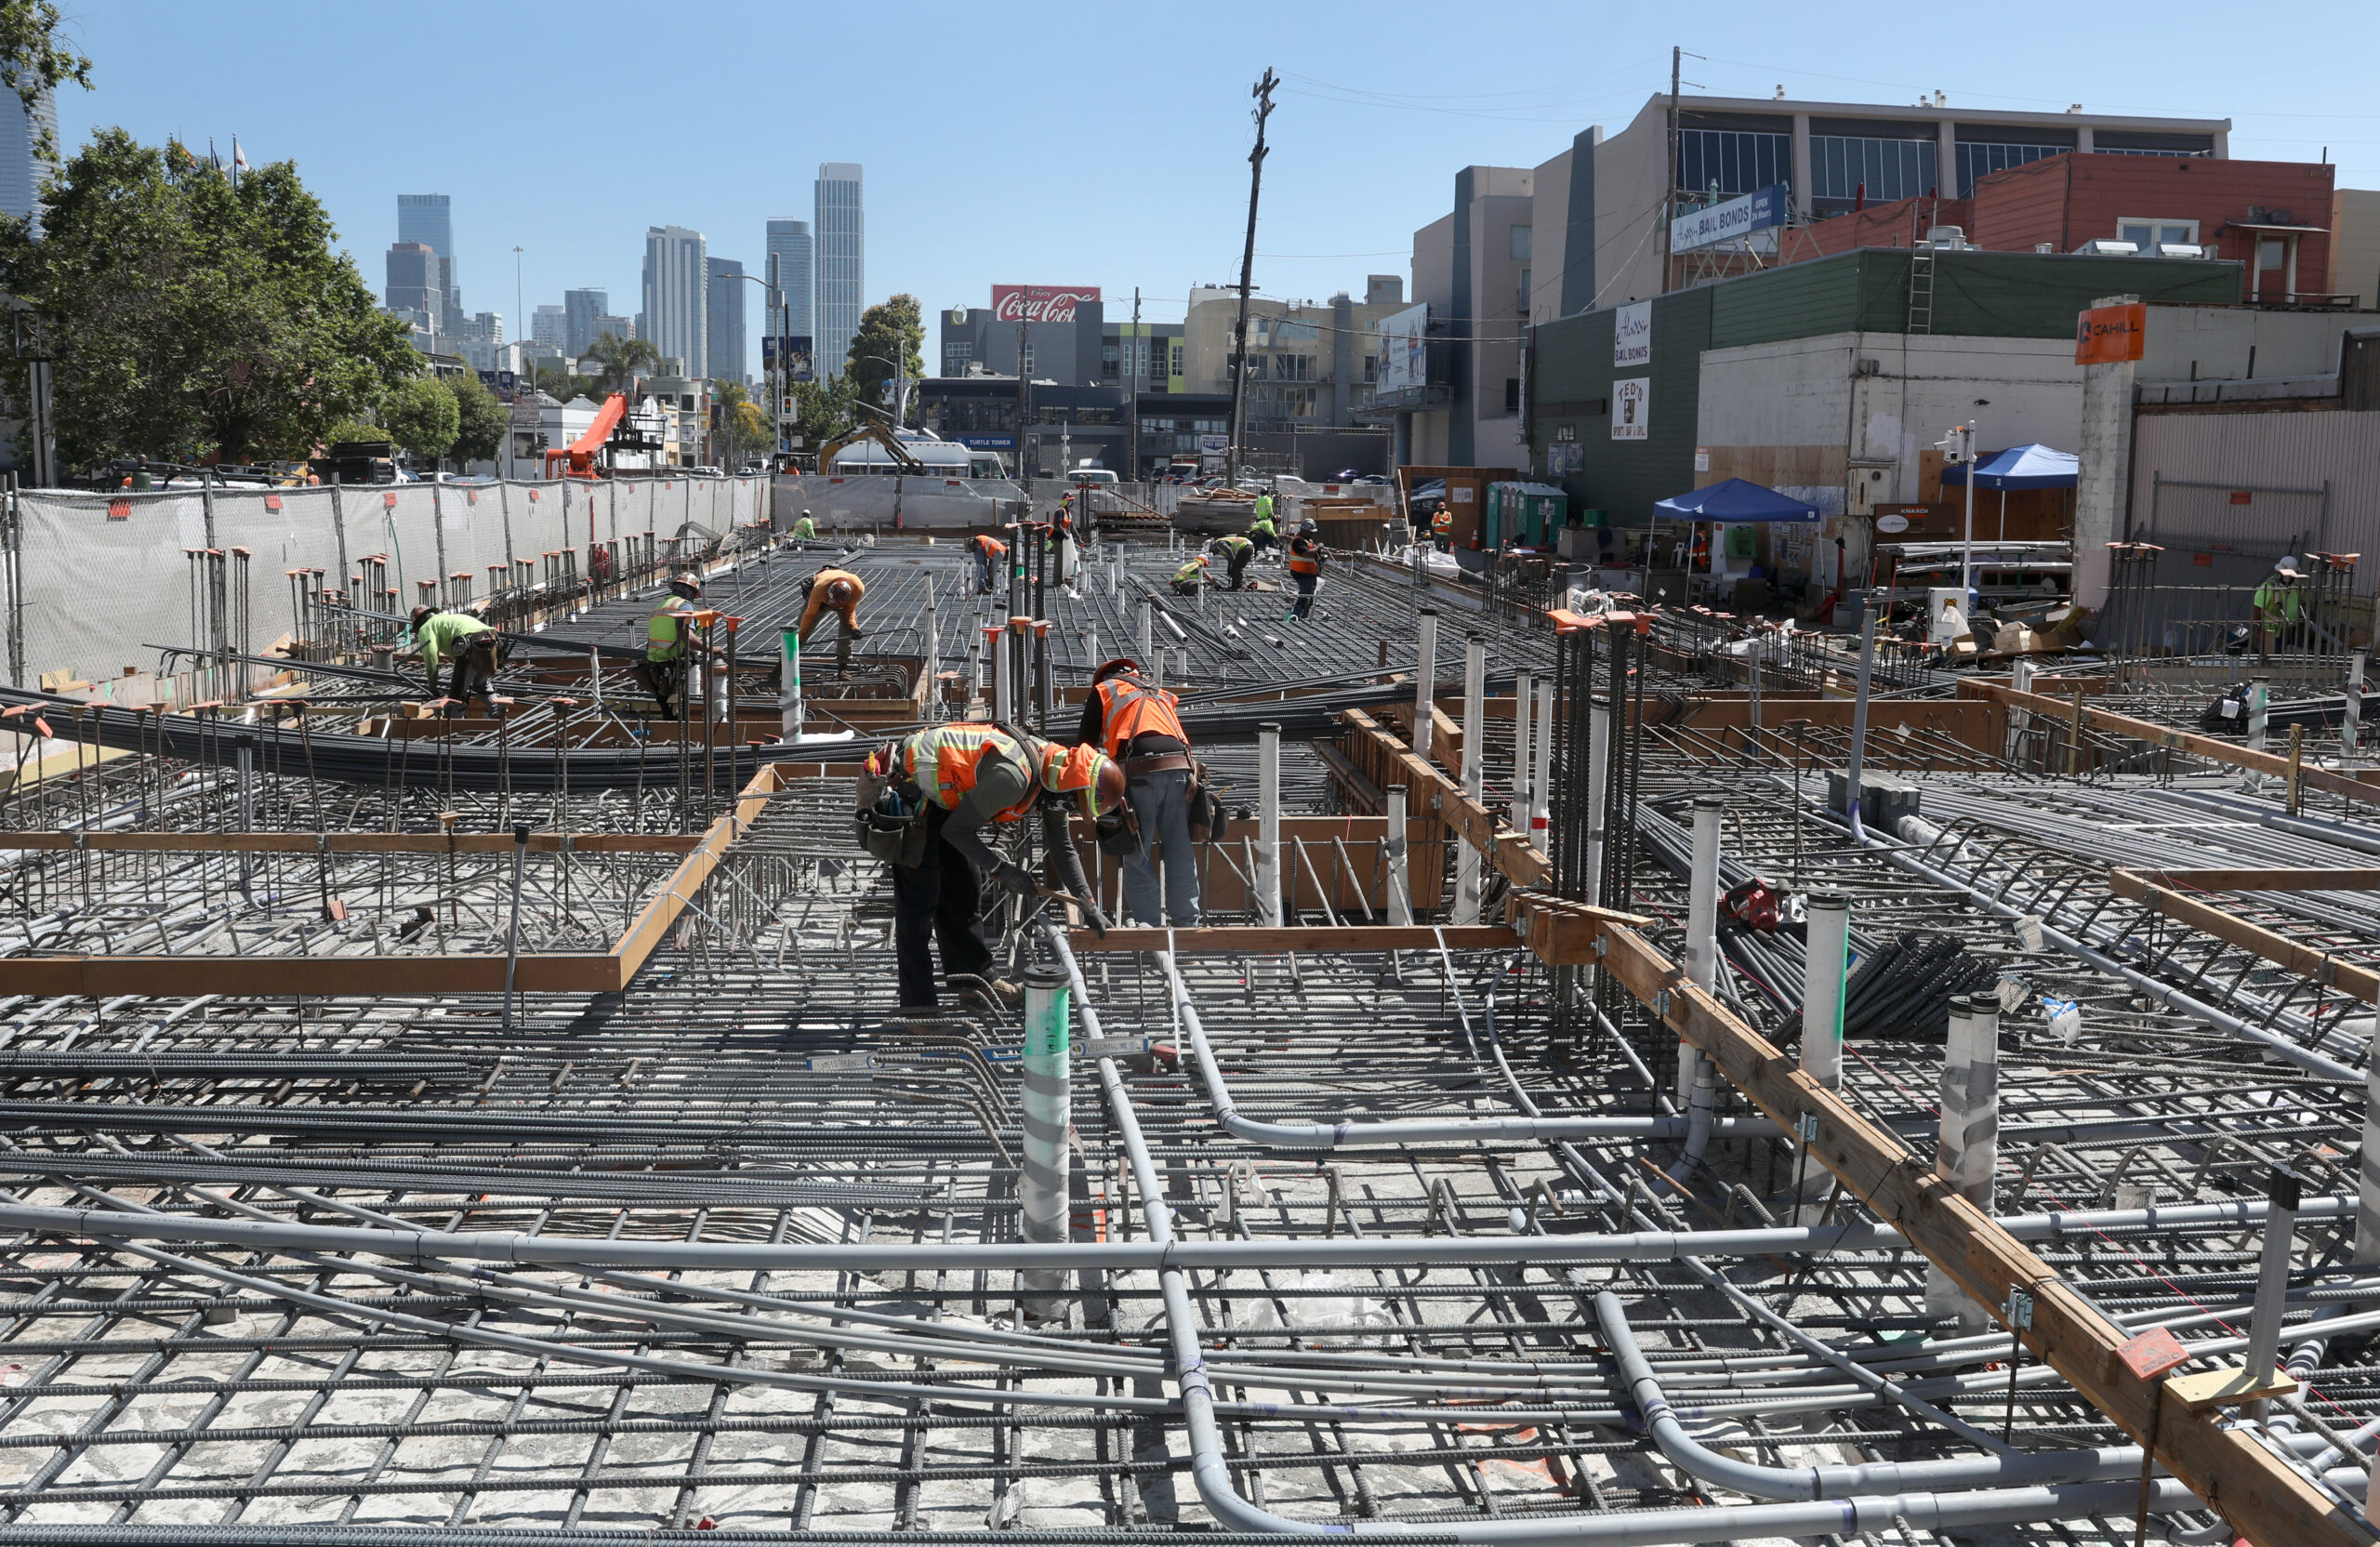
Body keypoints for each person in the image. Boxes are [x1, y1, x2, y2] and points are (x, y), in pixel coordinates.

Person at [864, 724, 1128, 1011]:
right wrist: (1004, 871)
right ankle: (918, 1012)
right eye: (1076, 806)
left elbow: (1062, 847)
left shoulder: (1058, 775)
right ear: (1073, 788)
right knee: (919, 907)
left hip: (944, 801)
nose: (1074, 812)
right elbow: (957, 831)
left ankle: (975, 983)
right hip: (910, 793)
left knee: (964, 889)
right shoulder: (1015, 777)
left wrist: (1087, 902)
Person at [1078, 658, 1200, 929]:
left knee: (1138, 853)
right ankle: (1188, 926)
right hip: (1182, 770)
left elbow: (1084, 747)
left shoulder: (1105, 690)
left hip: (1140, 772)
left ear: (1105, 677)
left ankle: (1149, 927)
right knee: (1180, 850)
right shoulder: (1158, 691)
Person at [637, 574, 711, 719]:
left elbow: (670, 632)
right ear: (690, 592)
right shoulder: (684, 605)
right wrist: (710, 648)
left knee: (667, 709)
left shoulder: (660, 606)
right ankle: (679, 738)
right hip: (672, 664)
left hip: (655, 665)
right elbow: (687, 636)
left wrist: (701, 622)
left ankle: (671, 735)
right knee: (680, 712)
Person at [403, 607, 501, 716]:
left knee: (457, 697)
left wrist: (432, 686)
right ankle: (498, 715)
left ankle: (455, 727)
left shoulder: (426, 627)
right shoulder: (448, 619)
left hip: (470, 644)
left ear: (417, 624)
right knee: (482, 684)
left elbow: (431, 655)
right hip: (493, 640)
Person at [797, 565, 866, 645]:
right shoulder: (819, 589)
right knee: (802, 624)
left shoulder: (858, 588)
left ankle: (845, 657)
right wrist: (799, 638)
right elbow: (809, 615)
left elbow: (849, 611)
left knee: (847, 627)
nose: (834, 606)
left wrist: (854, 628)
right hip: (821, 593)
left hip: (841, 594)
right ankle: (791, 651)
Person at [2254, 555, 2306, 654]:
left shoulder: (2296, 586)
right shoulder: (2269, 586)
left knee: (2298, 656)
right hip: (2273, 631)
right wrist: (2258, 631)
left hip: (2291, 628)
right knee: (2274, 658)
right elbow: (2257, 608)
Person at [1286, 523, 1325, 623]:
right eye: (1311, 532)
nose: (1312, 534)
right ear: (1304, 530)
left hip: (1310, 573)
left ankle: (1304, 616)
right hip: (1301, 572)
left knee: (1310, 596)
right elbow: (1307, 554)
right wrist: (1318, 547)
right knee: (1304, 595)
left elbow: (1313, 554)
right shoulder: (1298, 541)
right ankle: (1295, 615)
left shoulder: (1308, 541)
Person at [972, 530, 1009, 596]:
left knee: (983, 566)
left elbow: (990, 566)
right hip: (980, 543)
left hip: (979, 542)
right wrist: (991, 579)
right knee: (982, 566)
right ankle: (982, 588)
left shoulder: (999, 549)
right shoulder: (1001, 553)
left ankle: (983, 585)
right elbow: (994, 568)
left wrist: (990, 578)